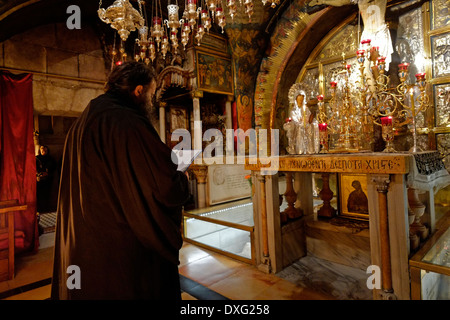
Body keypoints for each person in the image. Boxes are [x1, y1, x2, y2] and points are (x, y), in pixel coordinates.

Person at [51, 61, 190, 300]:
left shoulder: (84, 121)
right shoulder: (128, 122)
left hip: (86, 246)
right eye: (152, 92)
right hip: (122, 251)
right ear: (139, 90)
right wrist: (181, 178)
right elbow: (162, 187)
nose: (152, 100)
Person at [36, 145, 56, 214]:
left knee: (46, 194)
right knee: (38, 194)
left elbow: (52, 167)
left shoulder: (50, 159)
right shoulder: (37, 158)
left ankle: (45, 208)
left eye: (44, 149)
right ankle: (39, 208)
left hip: (47, 179)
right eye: (41, 149)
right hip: (38, 180)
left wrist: (47, 173)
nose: (43, 150)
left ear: (47, 150)